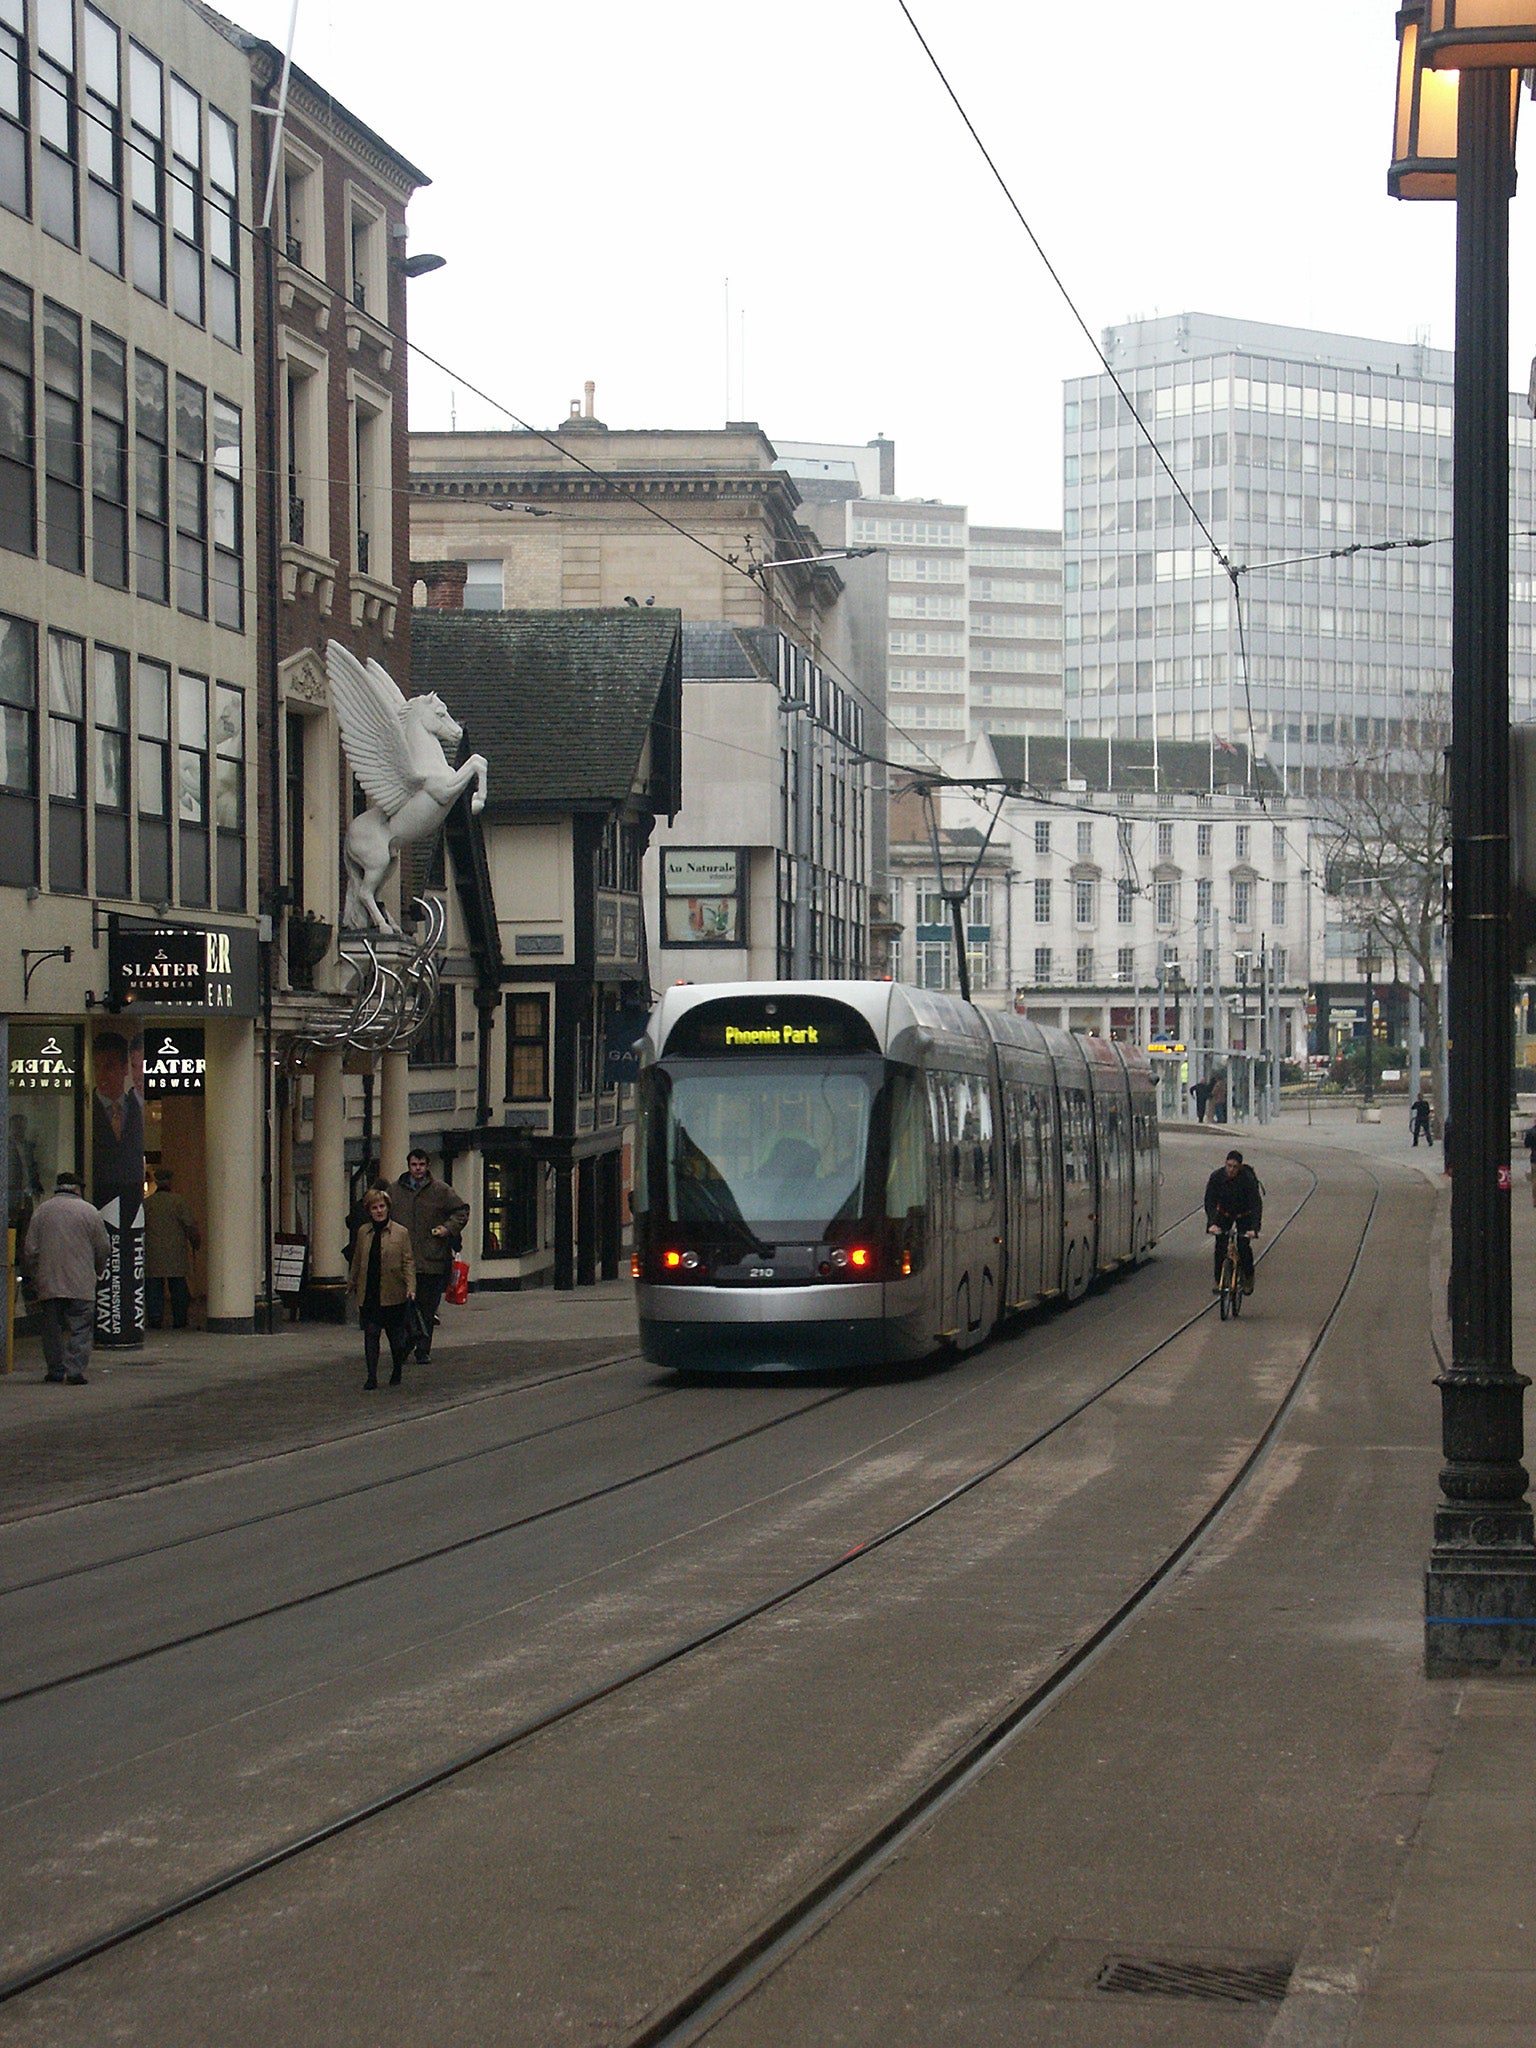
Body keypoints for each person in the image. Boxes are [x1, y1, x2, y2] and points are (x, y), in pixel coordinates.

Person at [22, 1172, 110, 1384]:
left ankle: (55, 1369)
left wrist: (35, 1274)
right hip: (81, 1281)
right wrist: (98, 1268)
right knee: (81, 1327)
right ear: (78, 1189)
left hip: (49, 1281)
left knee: (52, 1328)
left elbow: (30, 1249)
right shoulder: (89, 1211)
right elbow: (103, 1247)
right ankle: (74, 1371)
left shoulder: (42, 1211)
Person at [391, 1151, 467, 1364]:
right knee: (402, 1307)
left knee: (427, 1308)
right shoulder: (395, 1191)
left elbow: (461, 1211)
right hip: (402, 1261)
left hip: (431, 1260)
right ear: (408, 1165)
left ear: (427, 1166)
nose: (418, 1169)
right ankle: (405, 1344)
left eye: (421, 1164)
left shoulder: (440, 1191)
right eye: (414, 1164)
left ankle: (422, 1349)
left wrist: (447, 1228)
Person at [346, 1185, 416, 1389]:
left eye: (382, 1206)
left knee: (395, 1338)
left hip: (393, 1292)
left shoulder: (400, 1233)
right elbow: (358, 1259)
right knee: (371, 1333)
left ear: (388, 1208)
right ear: (369, 1211)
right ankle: (371, 1376)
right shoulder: (363, 1232)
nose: (379, 1211)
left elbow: (408, 1262)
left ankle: (397, 1369)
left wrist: (411, 1287)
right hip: (370, 1292)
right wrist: (351, 1282)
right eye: (374, 1207)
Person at [144, 1170, 200, 1329]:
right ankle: (180, 1319)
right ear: (170, 1182)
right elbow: (189, 1224)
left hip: (152, 1252)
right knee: (178, 1288)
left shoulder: (148, 1203)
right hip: (175, 1252)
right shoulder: (178, 1201)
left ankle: (155, 1319)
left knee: (154, 1288)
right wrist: (195, 1241)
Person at [1205, 1148, 1263, 1297]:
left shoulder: (1247, 1180)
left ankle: (1248, 1277)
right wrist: (1211, 1223)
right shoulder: (1216, 1177)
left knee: (1243, 1246)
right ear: (1225, 1164)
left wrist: (1254, 1229)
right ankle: (1219, 1281)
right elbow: (1210, 1201)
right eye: (1228, 1166)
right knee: (1220, 1247)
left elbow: (1256, 1204)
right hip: (1224, 1213)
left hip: (1244, 1214)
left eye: (1235, 1167)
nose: (1231, 1170)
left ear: (1240, 1167)